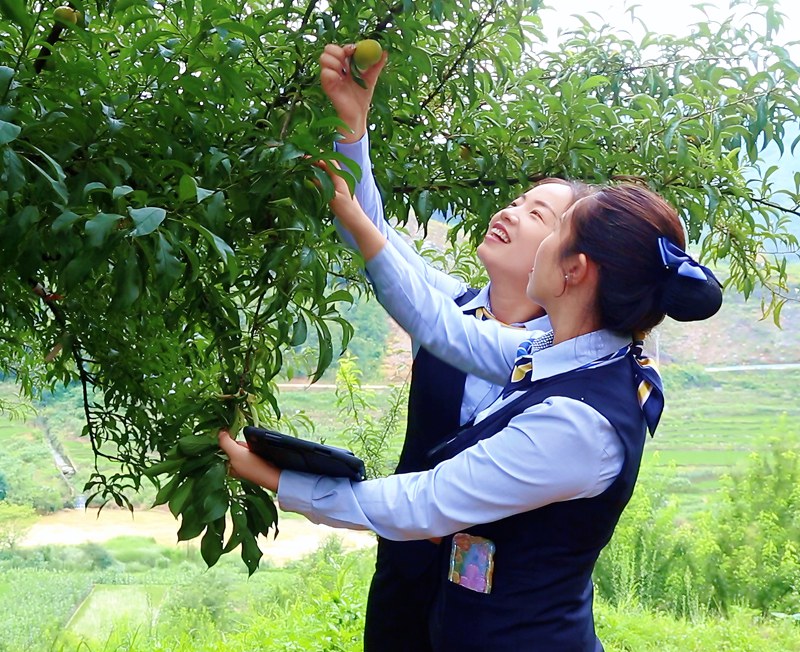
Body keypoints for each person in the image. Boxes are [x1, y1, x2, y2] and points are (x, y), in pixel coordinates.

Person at [220, 176, 723, 650]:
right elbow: (444, 328)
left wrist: (279, 479)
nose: (537, 239)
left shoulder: (578, 423)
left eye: (554, 229)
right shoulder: (561, 351)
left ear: (575, 269)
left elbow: (426, 501)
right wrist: (357, 220)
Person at [318, 42, 590, 651]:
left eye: (538, 214)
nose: (511, 212)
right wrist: (351, 126)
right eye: (518, 200)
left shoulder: (564, 359)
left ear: (568, 260)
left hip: (503, 597)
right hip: (409, 564)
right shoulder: (454, 307)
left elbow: (376, 246)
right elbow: (373, 231)